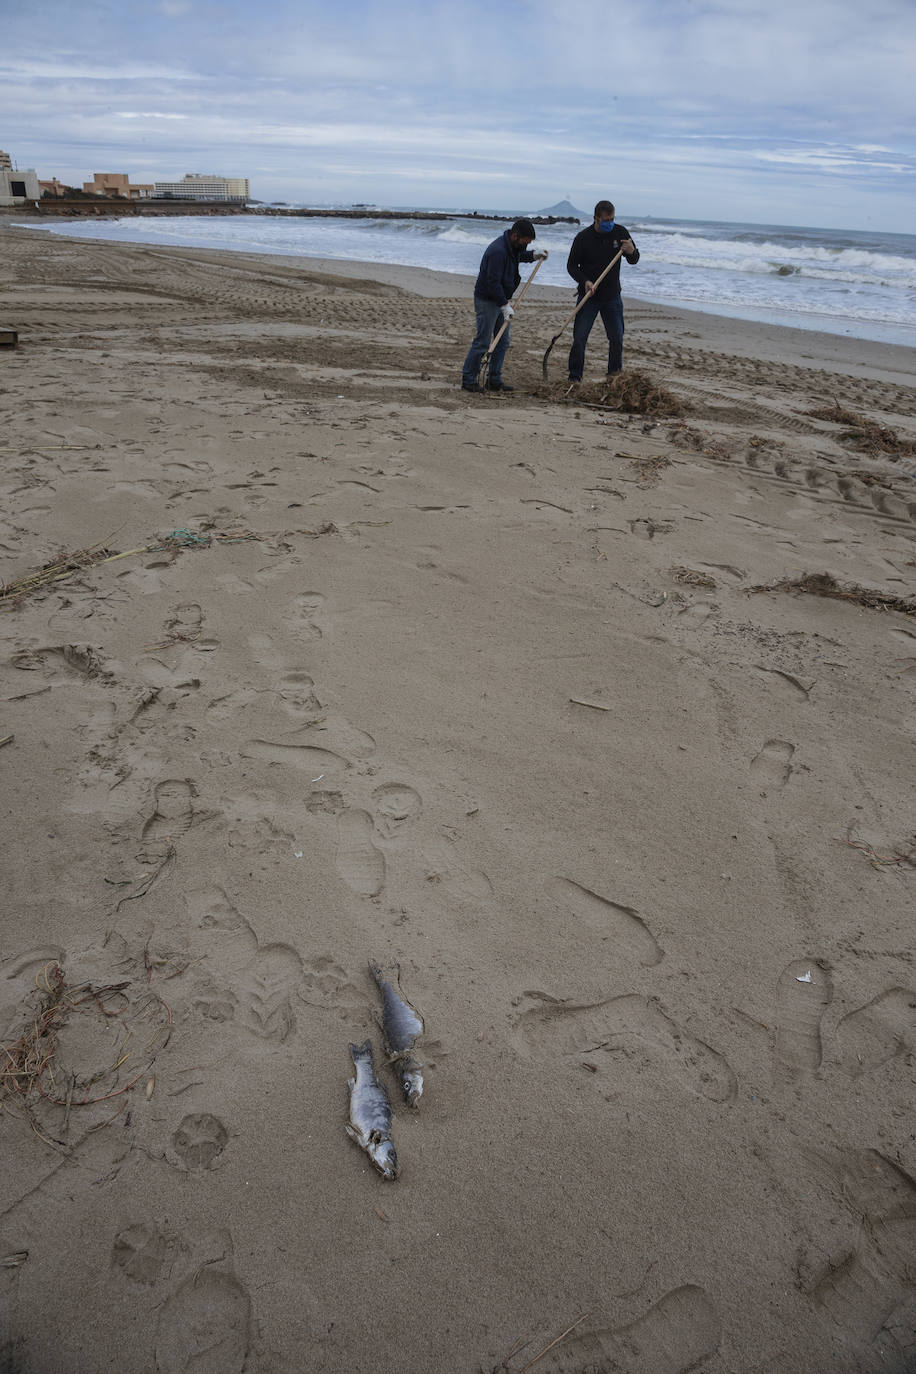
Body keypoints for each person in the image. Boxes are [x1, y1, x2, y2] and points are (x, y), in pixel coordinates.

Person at [461, 219, 547, 393]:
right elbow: (493, 283)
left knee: (503, 341)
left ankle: (494, 380)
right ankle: (468, 380)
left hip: (501, 299)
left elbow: (518, 255)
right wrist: (504, 305)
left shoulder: (512, 246)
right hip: (487, 299)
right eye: (526, 241)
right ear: (516, 235)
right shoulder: (497, 251)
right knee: (483, 341)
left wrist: (533, 255)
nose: (526, 244)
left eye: (529, 242)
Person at [566, 200, 639, 383]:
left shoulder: (620, 233)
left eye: (612, 219)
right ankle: (575, 377)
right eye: (606, 220)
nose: (610, 223)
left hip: (612, 296)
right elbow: (572, 266)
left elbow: (634, 259)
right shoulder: (583, 238)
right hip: (589, 295)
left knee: (616, 338)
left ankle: (613, 376)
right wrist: (585, 281)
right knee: (580, 338)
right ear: (596, 219)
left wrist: (631, 251)